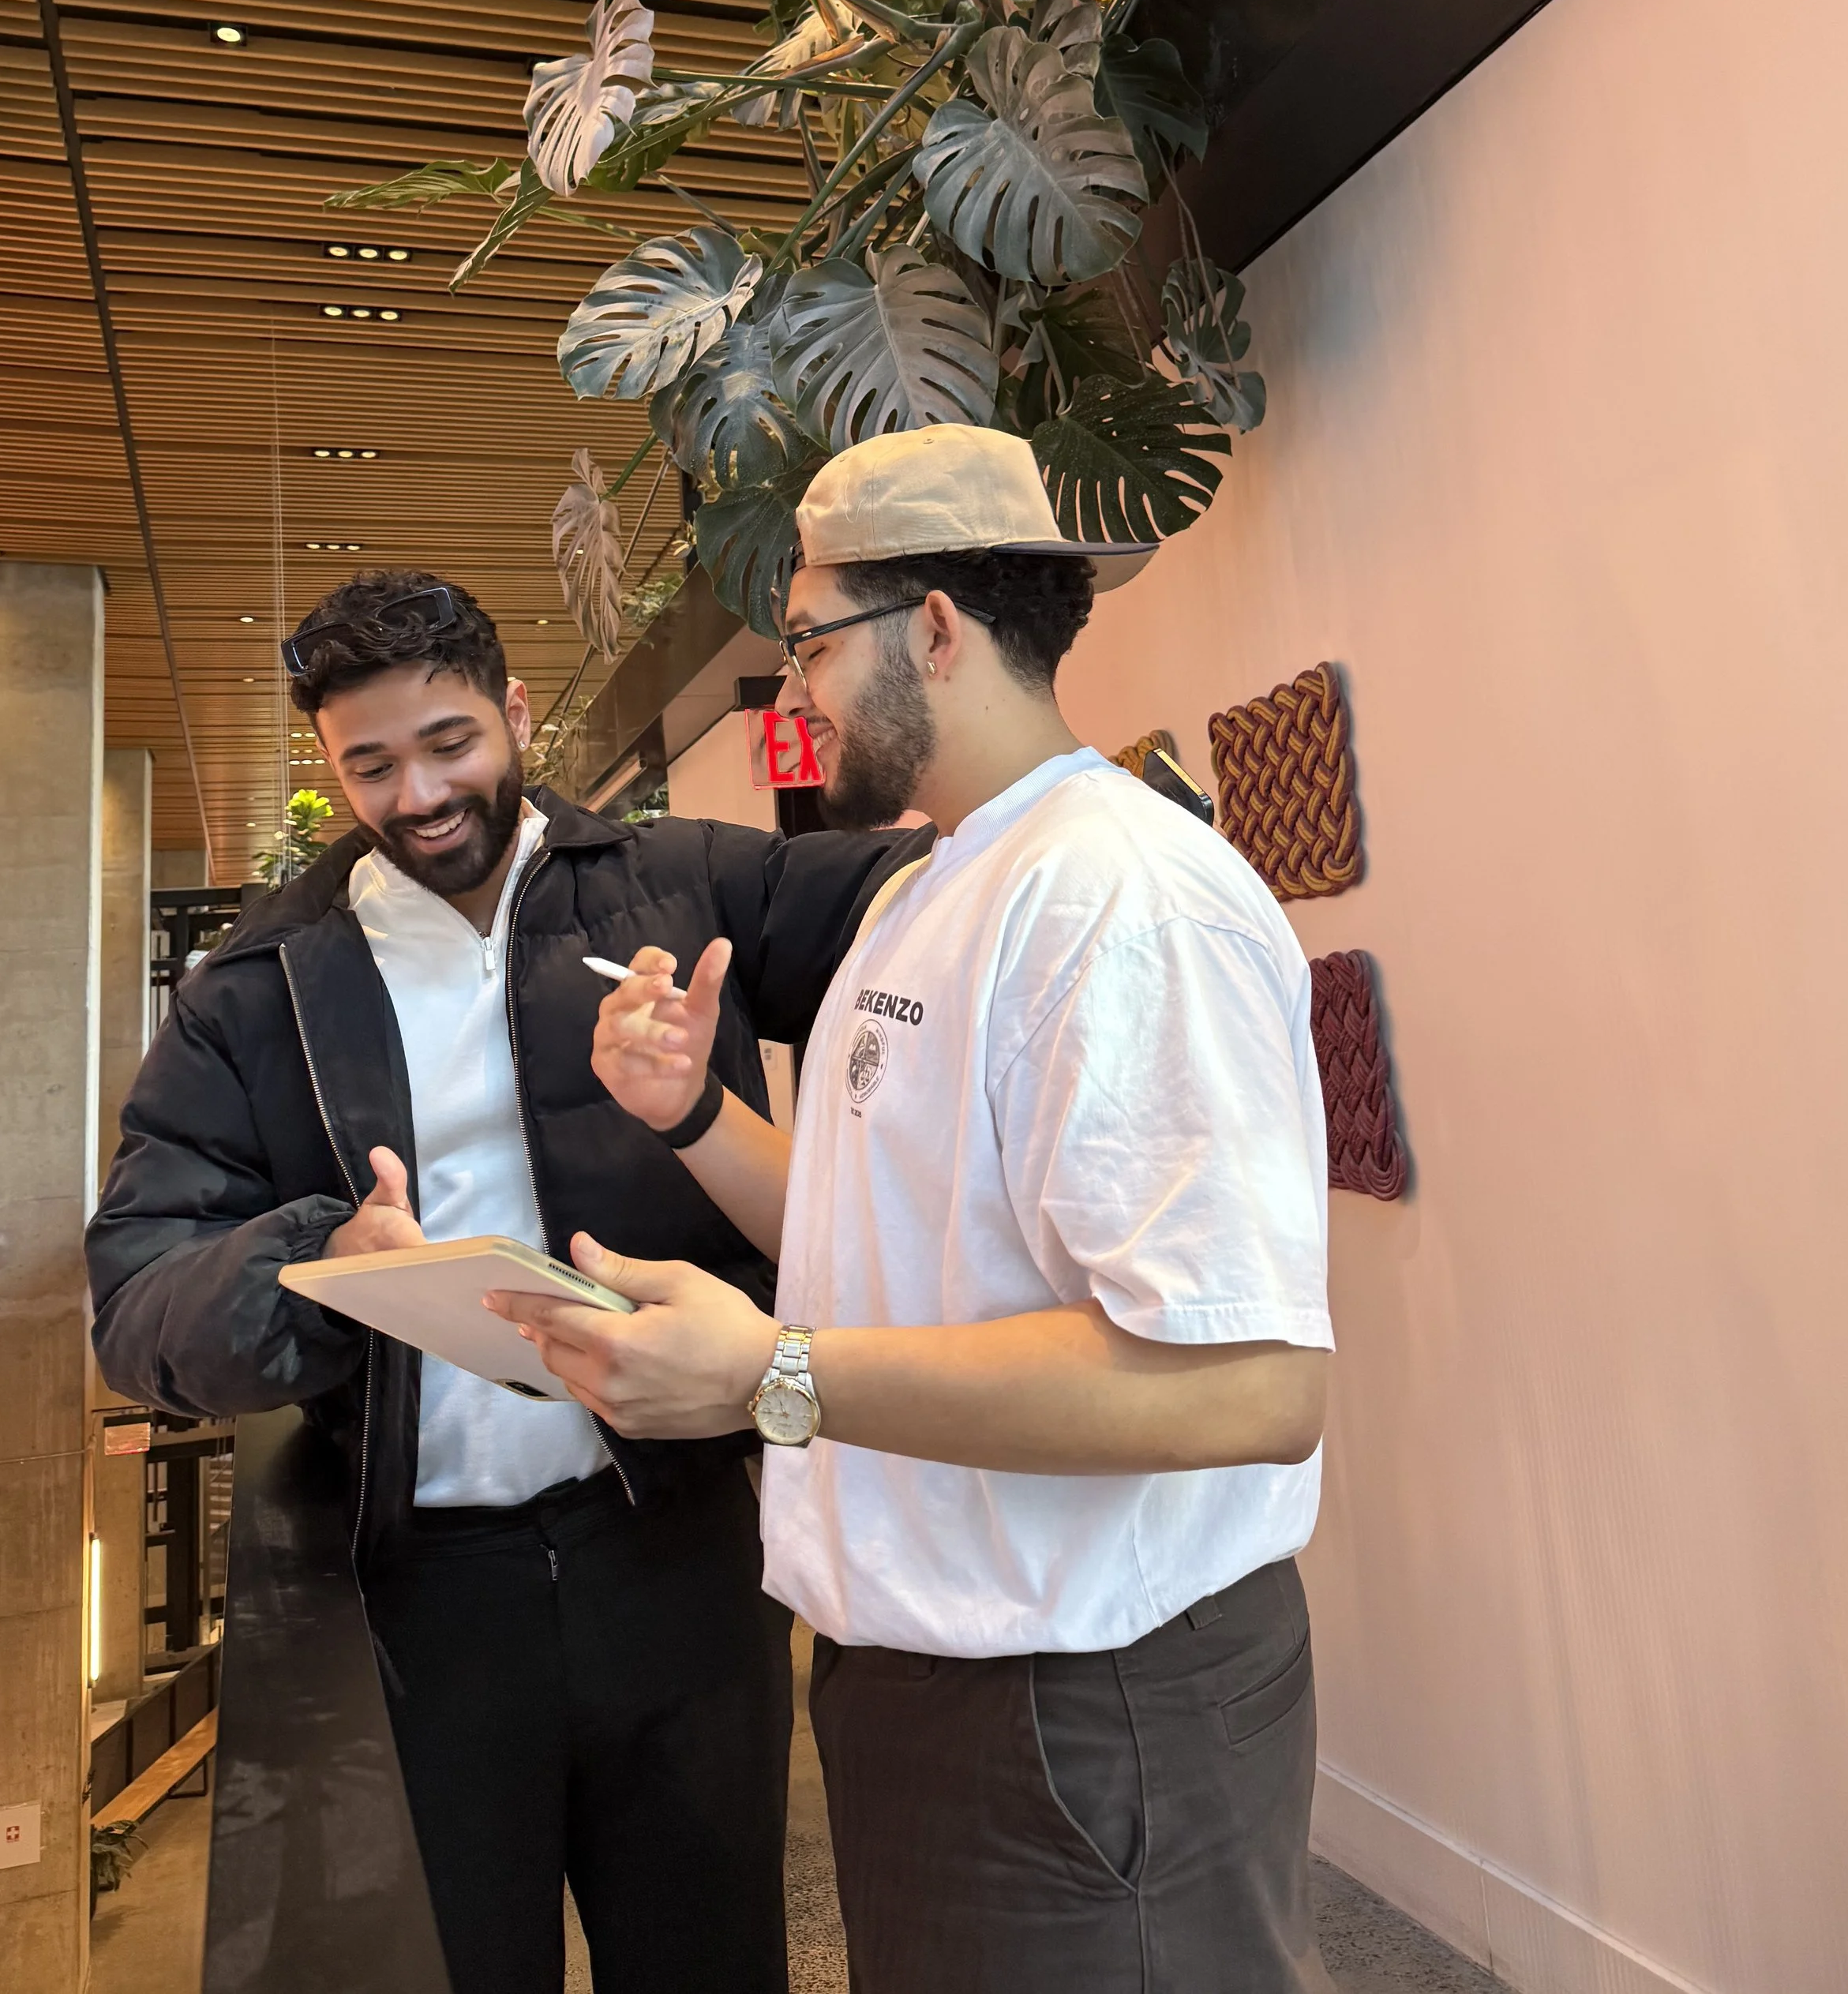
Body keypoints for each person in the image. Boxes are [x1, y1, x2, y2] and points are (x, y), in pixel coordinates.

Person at [491, 428, 1337, 1994]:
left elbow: (1249, 1381)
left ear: (934, 627)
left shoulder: (1119, 895)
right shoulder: (928, 886)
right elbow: (881, 1235)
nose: (792, 687)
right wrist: (688, 1111)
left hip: (1084, 1697)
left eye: (807, 640)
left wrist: (768, 1374)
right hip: (930, 1669)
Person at [85, 568, 926, 1994]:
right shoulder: (258, 988)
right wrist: (310, 1265)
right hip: (419, 1601)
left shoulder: (680, 882)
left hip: (675, 1557)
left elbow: (937, 898)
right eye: (372, 764)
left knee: (711, 1956)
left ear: (516, 711)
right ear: (330, 764)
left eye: (451, 744)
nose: (418, 794)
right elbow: (134, 1306)